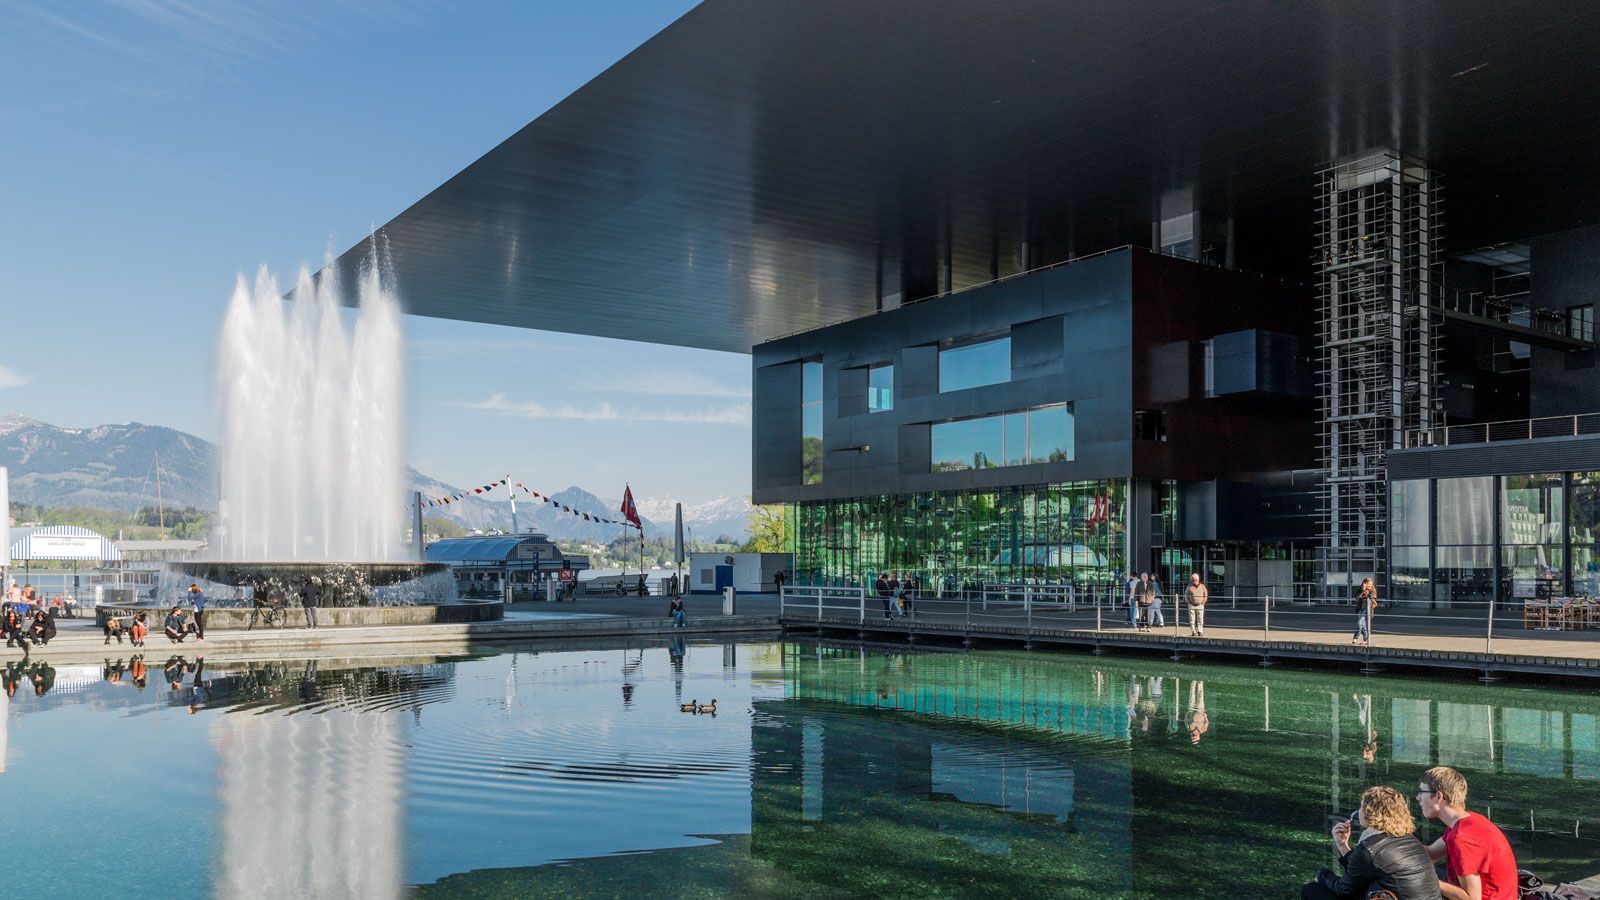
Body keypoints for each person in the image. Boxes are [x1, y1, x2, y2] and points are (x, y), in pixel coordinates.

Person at [1301, 785, 1441, 899]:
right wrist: (1343, 845)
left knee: (1312, 890)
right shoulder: (1411, 840)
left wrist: (1322, 875)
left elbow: (1343, 889)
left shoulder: (1370, 849)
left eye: (1362, 807)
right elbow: (1361, 871)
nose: (1359, 811)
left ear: (1370, 812)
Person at [1417, 766, 1518, 900]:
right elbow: (1430, 854)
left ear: (1438, 796)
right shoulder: (1468, 821)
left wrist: (1429, 881)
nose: (1418, 798)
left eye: (1421, 792)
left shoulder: (1461, 838)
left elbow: (1472, 898)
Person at [1353, 577, 1378, 646]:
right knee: (1363, 625)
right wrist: (1362, 590)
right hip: (1360, 609)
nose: (1369, 586)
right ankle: (1366, 640)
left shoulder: (1372, 590)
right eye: (1368, 584)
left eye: (1370, 584)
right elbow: (1357, 598)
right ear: (1364, 584)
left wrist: (1366, 592)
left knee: (1359, 623)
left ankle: (1355, 637)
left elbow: (1371, 597)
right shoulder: (1360, 589)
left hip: (1367, 609)